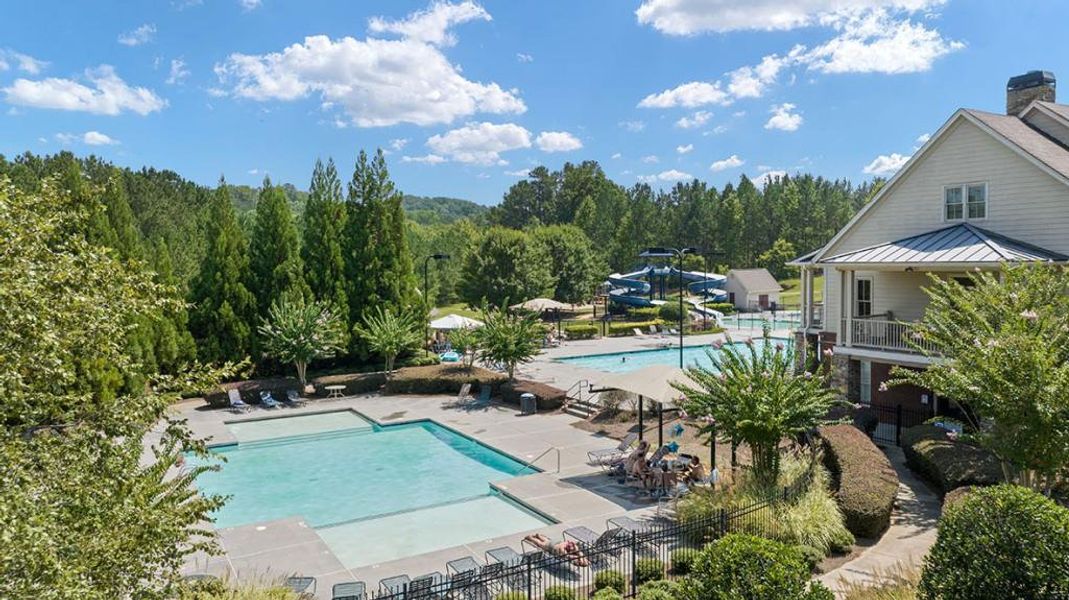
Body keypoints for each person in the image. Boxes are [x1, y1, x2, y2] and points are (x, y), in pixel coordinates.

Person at [523, 534, 590, 567]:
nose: (573, 549)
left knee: (545, 541)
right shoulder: (563, 549)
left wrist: (581, 558)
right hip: (552, 546)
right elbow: (569, 556)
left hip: (554, 544)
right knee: (540, 543)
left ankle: (539, 536)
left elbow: (580, 553)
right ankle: (530, 538)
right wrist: (579, 558)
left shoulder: (571, 545)